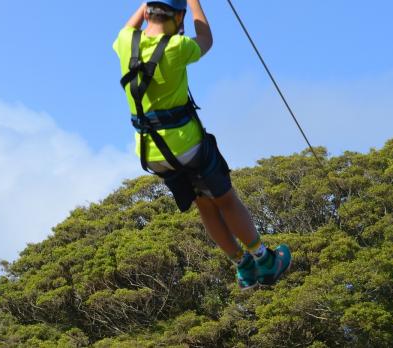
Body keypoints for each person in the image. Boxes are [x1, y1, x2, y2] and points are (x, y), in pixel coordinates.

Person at [113, 0, 291, 289]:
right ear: (178, 16)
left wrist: (147, 5)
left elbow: (130, 26)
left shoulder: (124, 42)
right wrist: (194, 2)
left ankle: (242, 266)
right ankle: (264, 259)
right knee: (225, 200)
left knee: (204, 205)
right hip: (186, 146)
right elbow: (206, 39)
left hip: (151, 153)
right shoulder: (176, 48)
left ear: (147, 12)